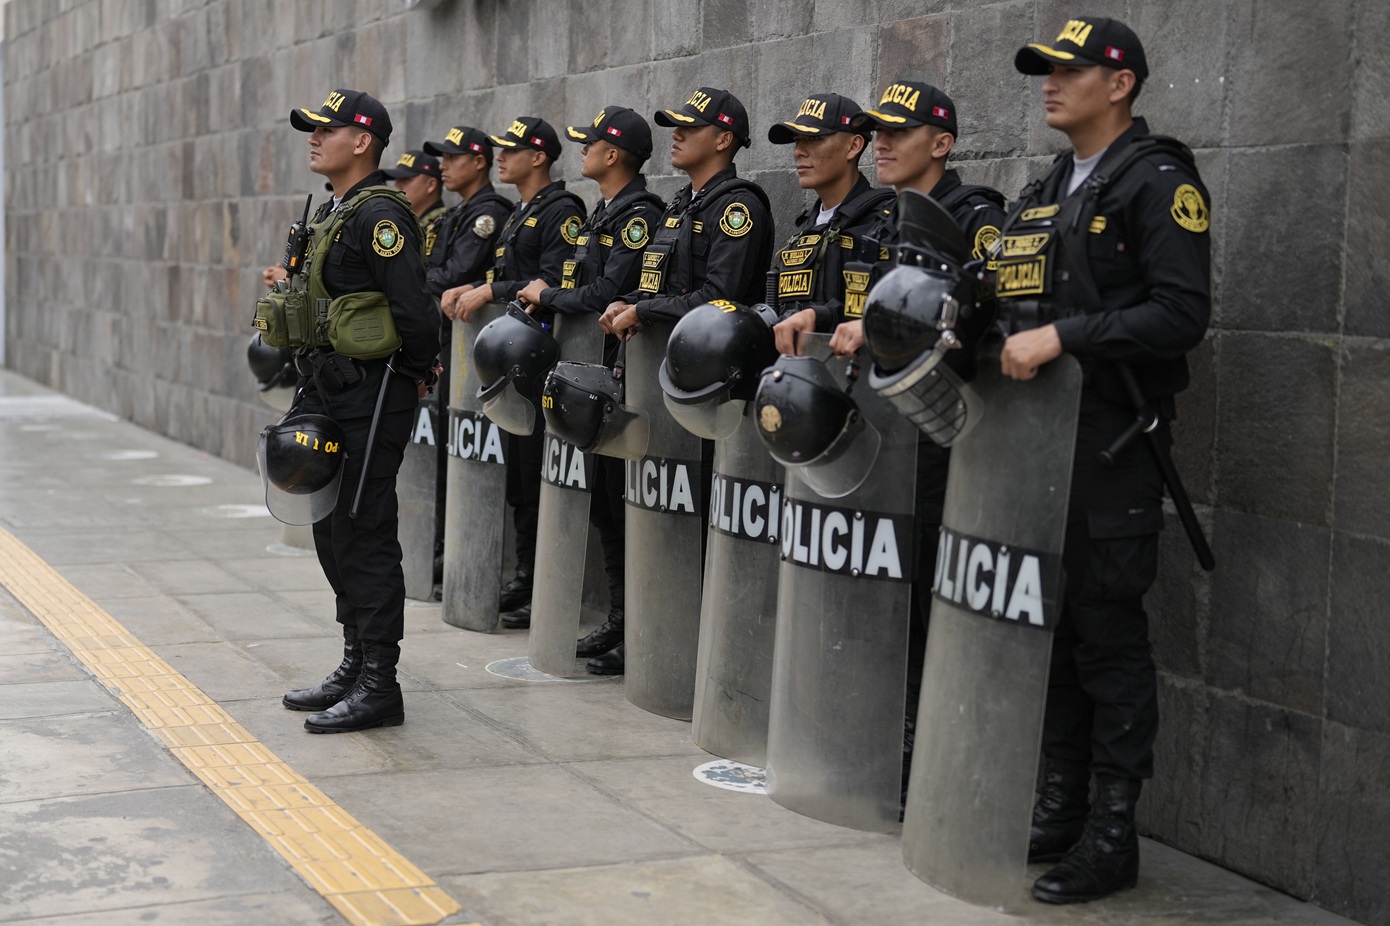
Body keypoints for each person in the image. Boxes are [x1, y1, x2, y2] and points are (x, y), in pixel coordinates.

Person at [998, 17, 1211, 903]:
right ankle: (1058, 806)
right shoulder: (1049, 182)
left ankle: (1112, 834)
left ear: (1119, 83)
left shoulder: (1158, 180)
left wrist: (1066, 334)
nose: (1049, 83)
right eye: (1044, 71)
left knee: (1108, 638)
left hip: (1114, 447)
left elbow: (1180, 313)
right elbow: (1007, 295)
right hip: (1042, 447)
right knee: (1052, 632)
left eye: (1068, 71)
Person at [849, 79, 1007, 801]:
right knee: (896, 590)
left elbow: (978, 315)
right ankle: (896, 730)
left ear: (941, 143)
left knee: (935, 595)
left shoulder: (973, 218)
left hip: (952, 438)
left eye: (898, 131)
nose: (881, 141)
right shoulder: (890, 220)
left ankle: (932, 745)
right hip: (895, 441)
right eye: (877, 130)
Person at [275, 89, 441, 733]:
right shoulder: (336, 209)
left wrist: (418, 372)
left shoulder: (380, 216)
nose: (314, 138)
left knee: (362, 527)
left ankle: (380, 683)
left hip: (373, 389)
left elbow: (414, 309)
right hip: (325, 383)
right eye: (313, 130)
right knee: (324, 519)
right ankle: (353, 662)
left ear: (363, 141)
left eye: (327, 129)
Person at [513, 106, 665, 673]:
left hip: (618, 381)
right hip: (590, 379)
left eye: (590, 144)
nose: (583, 152)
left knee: (622, 506)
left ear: (614, 154)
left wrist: (548, 295)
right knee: (603, 504)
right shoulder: (608, 211)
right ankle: (619, 621)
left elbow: (606, 290)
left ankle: (632, 626)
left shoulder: (639, 214)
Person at [439, 117, 586, 623]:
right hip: (510, 363)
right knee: (520, 478)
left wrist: (492, 291)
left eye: (512, 149)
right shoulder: (522, 210)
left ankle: (537, 581)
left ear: (540, 156)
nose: (501, 156)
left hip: (538, 358)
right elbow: (507, 273)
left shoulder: (562, 210)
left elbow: (553, 278)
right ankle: (524, 575)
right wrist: (479, 284)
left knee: (536, 473)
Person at [419, 126, 514, 585]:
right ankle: (439, 546)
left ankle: (460, 554)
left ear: (479, 161)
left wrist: (424, 280)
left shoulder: (489, 213)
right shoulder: (459, 215)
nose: (444, 165)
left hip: (471, 347)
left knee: (468, 458)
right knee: (440, 454)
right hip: (446, 342)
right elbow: (434, 269)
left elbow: (450, 273)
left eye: (454, 157)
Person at [600, 86, 774, 335]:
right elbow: (664, 287)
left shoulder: (738, 207)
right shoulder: (681, 204)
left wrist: (642, 310)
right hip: (663, 354)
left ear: (723, 140)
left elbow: (719, 298)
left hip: (712, 359)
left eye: (690, 128)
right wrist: (625, 301)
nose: (676, 135)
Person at [765, 92, 894, 356]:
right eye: (797, 140)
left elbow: (892, 311)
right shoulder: (806, 227)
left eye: (814, 139)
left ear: (853, 146)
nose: (798, 151)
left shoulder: (884, 221)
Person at [381, 149, 447, 253]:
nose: (396, 187)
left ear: (430, 185)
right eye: (396, 180)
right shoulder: (408, 224)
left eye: (405, 179)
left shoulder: (445, 226)